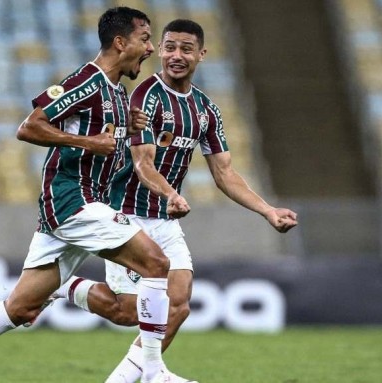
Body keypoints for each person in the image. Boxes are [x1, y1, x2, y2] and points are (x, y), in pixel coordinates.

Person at [0, 7, 187, 383]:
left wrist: (127, 127)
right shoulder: (86, 82)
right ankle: (152, 373)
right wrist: (86, 141)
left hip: (84, 204)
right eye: (145, 38)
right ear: (121, 42)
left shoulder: (118, 91)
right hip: (72, 200)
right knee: (157, 263)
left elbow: (107, 141)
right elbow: (29, 127)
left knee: (19, 308)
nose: (151, 48)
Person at [46, 19, 299, 383]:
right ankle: (63, 285)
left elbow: (225, 173)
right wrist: (170, 193)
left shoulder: (205, 110)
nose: (175, 56)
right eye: (169, 47)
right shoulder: (144, 96)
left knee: (177, 306)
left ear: (201, 54)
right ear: (160, 50)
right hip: (127, 215)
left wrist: (268, 210)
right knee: (129, 312)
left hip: (164, 220)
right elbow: (142, 162)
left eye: (185, 49)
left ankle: (133, 379)